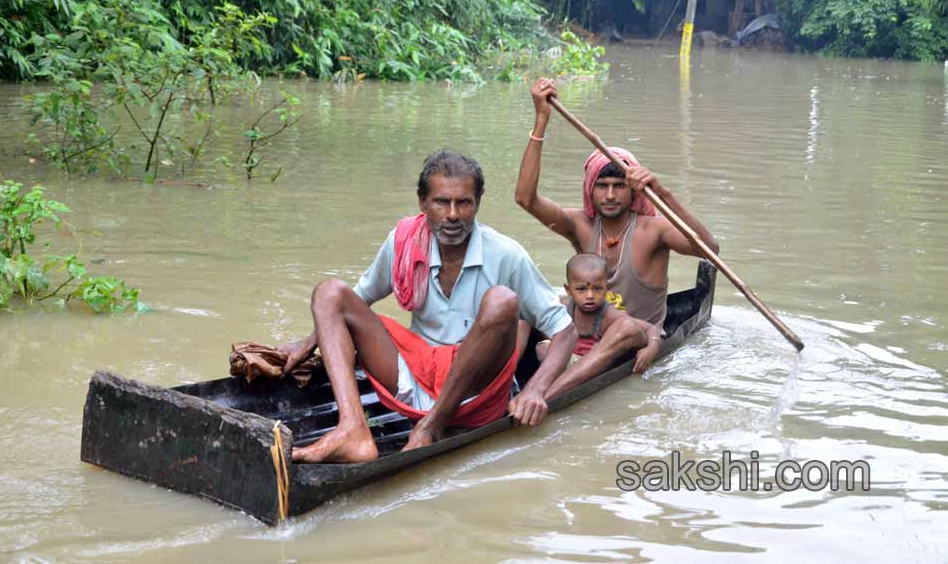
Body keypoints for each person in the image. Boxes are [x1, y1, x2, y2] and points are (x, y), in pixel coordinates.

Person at [280, 150, 577, 463]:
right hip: (417, 372)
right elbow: (357, 298)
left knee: (502, 300)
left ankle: (430, 428)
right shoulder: (403, 242)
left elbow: (565, 332)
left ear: (478, 203)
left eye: (463, 203)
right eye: (441, 202)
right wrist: (308, 343)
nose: (452, 214)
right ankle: (353, 430)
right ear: (423, 202)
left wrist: (535, 390)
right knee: (329, 293)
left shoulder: (506, 253)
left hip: (476, 392)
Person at [514, 78, 718, 391]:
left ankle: (545, 393)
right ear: (589, 189)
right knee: (521, 303)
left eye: (619, 185)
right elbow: (526, 199)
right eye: (602, 186)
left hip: (634, 337)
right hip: (585, 333)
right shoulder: (580, 224)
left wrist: (662, 192)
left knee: (621, 327)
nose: (610, 195)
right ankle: (499, 384)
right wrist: (540, 121)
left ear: (633, 190)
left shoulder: (653, 229)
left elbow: (709, 250)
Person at [532, 253, 662, 400]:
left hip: (594, 365)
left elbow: (650, 328)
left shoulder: (609, 315)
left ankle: (551, 393)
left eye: (597, 289)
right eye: (581, 289)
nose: (590, 295)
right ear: (568, 290)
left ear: (606, 288)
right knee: (542, 346)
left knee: (626, 327)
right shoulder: (563, 306)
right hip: (567, 361)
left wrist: (651, 348)